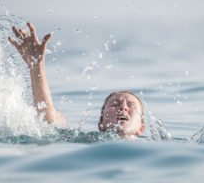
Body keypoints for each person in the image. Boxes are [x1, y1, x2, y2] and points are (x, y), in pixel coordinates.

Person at [8, 22, 145, 137]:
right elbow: (50, 121)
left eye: (131, 105)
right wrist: (37, 66)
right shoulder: (88, 142)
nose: (123, 107)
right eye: (115, 104)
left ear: (141, 127)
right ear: (101, 124)